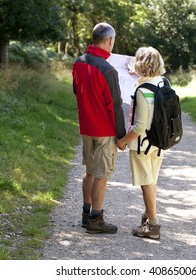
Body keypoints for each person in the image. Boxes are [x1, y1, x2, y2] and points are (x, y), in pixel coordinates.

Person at [72, 22, 126, 234]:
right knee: (101, 175)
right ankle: (96, 219)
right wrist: (121, 136)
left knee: (90, 172)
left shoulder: (79, 62)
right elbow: (115, 107)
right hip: (104, 130)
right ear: (110, 40)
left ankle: (86, 214)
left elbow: (77, 90)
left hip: (86, 127)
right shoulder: (108, 70)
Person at [117, 46, 166, 240]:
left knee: (146, 184)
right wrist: (136, 74)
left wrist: (122, 141)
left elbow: (139, 126)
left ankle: (153, 225)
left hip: (142, 145)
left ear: (140, 65)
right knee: (151, 181)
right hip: (159, 142)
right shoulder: (163, 83)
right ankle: (147, 218)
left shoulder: (142, 90)